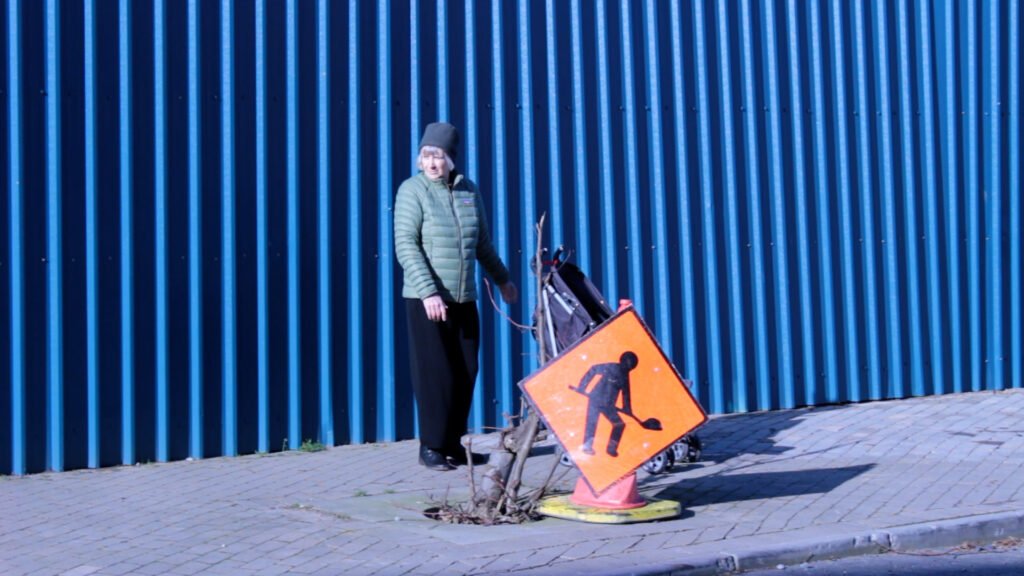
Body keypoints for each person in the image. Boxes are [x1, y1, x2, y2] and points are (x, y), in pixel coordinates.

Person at [394, 122, 518, 471]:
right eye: (426, 155)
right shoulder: (412, 191)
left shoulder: (468, 191)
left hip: (463, 297)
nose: (432, 163)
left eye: (439, 155)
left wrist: (503, 279)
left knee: (465, 370)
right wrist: (428, 291)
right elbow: (406, 244)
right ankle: (431, 447)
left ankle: (451, 444)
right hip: (427, 300)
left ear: (451, 158)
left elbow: (481, 244)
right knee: (436, 374)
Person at [572, 351, 639, 457]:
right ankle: (587, 446)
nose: (629, 367)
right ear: (623, 361)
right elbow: (593, 369)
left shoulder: (625, 375)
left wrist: (627, 409)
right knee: (592, 422)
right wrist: (582, 386)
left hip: (608, 405)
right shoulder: (611, 367)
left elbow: (626, 393)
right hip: (596, 399)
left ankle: (611, 448)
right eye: (628, 364)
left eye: (631, 365)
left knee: (619, 425)